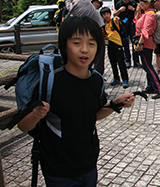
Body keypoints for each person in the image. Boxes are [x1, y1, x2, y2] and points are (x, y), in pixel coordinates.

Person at [17, 16, 135, 186]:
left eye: (92, 43)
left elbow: (93, 114)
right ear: (64, 46)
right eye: (77, 43)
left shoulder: (96, 81)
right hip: (58, 168)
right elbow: (23, 125)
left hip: (88, 164)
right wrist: (36, 115)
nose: (85, 50)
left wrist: (115, 103)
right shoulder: (50, 82)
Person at [62, 0, 106, 75]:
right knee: (99, 59)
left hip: (86, 33)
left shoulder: (70, 7)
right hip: (97, 30)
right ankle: (98, 81)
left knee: (88, 57)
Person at [135, 0, 160, 98]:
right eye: (140, 1)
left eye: (143, 1)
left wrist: (140, 43)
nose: (141, 3)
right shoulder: (146, 13)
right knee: (146, 65)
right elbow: (136, 22)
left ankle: (159, 88)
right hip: (144, 42)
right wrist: (138, 11)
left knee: (147, 66)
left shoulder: (150, 15)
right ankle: (150, 86)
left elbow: (146, 30)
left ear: (149, 3)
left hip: (145, 43)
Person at [100, 7, 129, 88]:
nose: (106, 16)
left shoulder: (114, 21)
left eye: (107, 14)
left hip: (118, 44)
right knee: (112, 62)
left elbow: (117, 20)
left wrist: (117, 18)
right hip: (110, 45)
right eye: (104, 15)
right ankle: (116, 78)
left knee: (121, 62)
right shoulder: (103, 24)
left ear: (110, 14)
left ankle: (125, 79)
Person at [114, 0, 141, 69]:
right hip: (123, 24)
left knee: (134, 43)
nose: (126, 1)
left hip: (132, 24)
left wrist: (133, 9)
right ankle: (127, 61)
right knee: (125, 44)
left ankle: (136, 61)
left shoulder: (132, 3)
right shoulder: (119, 4)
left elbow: (137, 12)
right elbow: (114, 14)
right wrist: (119, 10)